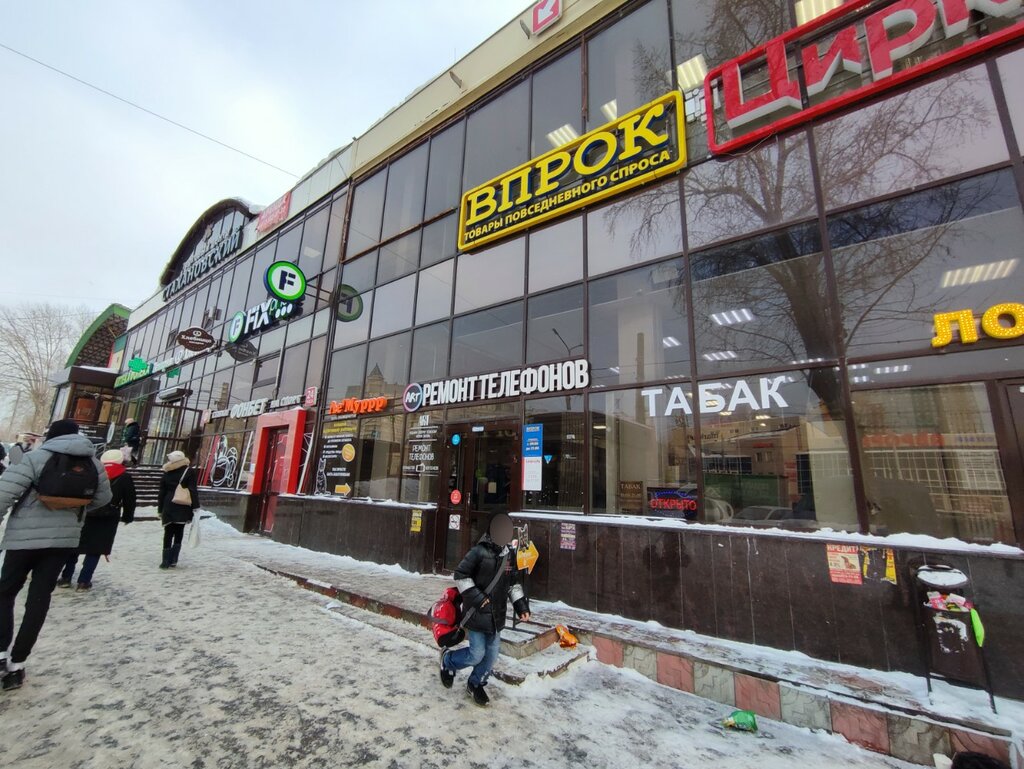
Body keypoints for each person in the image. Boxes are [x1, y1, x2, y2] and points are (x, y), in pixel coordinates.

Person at [0, 419, 112, 690]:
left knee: (5, 593)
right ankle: (18, 664)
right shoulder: (93, 463)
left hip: (22, 539)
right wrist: (73, 508)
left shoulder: (35, 457)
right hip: (62, 541)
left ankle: (1, 652)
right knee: (39, 599)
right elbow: (103, 498)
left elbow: (4, 493)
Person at [440, 513, 530, 706]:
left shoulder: (509, 555)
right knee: (476, 654)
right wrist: (479, 598)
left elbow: (513, 583)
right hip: (477, 614)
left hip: (497, 616)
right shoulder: (479, 551)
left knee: (491, 656)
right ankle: (448, 661)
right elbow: (461, 575)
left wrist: (521, 606)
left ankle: (475, 683)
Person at [57, 449, 137, 591]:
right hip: (108, 516)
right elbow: (130, 499)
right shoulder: (124, 476)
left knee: (75, 546)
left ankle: (66, 577)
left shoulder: (92, 472)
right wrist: (128, 516)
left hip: (85, 512)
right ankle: (84, 581)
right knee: (95, 549)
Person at [158, 450, 199, 569]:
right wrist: (195, 506)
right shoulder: (189, 471)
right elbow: (192, 490)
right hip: (182, 503)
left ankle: (165, 561)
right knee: (179, 531)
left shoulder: (167, 471)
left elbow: (162, 492)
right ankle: (174, 559)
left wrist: (160, 508)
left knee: (168, 531)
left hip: (168, 503)